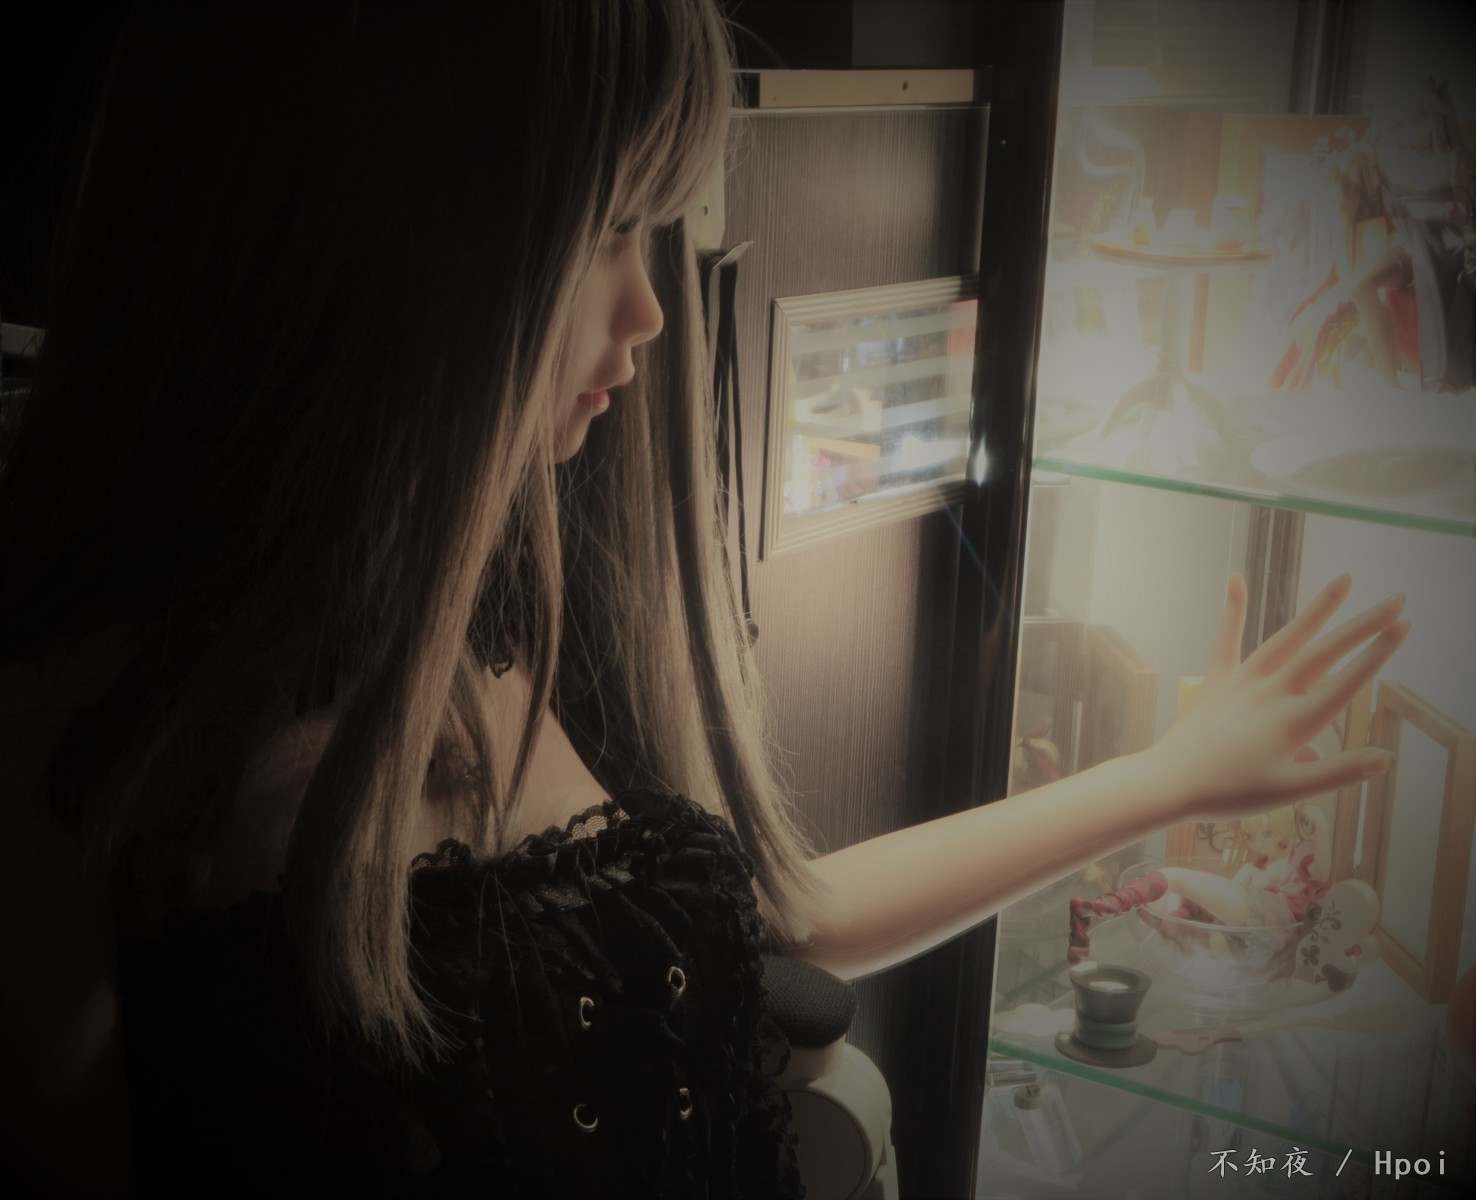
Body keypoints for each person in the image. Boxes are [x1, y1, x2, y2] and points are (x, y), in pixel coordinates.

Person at [0, 2, 1409, 1195]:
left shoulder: (494, 618)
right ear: (391, 234)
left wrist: (1167, 776)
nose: (651, 311)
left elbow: (788, 910)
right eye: (610, 225)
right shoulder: (83, 746)